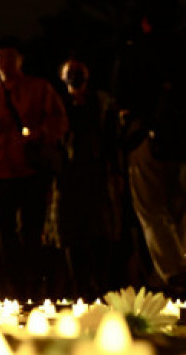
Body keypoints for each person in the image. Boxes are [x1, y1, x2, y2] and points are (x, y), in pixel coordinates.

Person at [0, 39, 68, 300]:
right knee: (5, 236)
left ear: (20, 60)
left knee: (32, 232)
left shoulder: (39, 88)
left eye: (9, 57)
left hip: (32, 169)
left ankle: (34, 287)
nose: (4, 63)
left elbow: (59, 120)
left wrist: (39, 134)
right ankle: (15, 290)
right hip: (0, 171)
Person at [114, 3, 186, 298]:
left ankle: (174, 271)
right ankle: (172, 269)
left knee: (151, 207)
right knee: (179, 208)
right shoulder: (181, 49)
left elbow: (123, 97)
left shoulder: (136, 52)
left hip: (147, 138)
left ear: (144, 22)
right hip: (181, 140)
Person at [49, 58, 122, 299]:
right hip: (68, 175)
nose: (74, 76)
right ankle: (79, 288)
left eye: (78, 72)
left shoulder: (101, 103)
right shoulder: (56, 104)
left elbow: (112, 138)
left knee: (101, 231)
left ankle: (102, 286)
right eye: (70, 72)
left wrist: (116, 171)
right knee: (71, 233)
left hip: (96, 172)